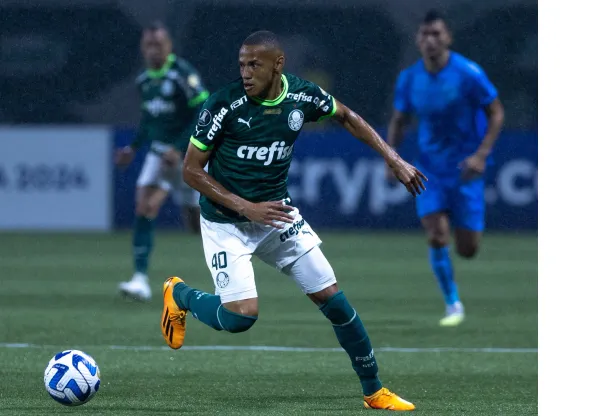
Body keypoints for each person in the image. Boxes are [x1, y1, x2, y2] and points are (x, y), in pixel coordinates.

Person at [160, 30, 426, 411]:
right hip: (225, 222)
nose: (246, 73)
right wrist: (244, 207)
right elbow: (190, 171)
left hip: (277, 215)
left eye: (255, 64)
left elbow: (347, 116)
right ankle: (180, 294)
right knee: (240, 319)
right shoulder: (224, 105)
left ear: (278, 65)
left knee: (333, 299)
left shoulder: (302, 95)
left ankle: (374, 391)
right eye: (241, 64)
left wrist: (394, 158)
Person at [386, 10, 505, 327]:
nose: (430, 40)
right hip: (429, 172)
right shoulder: (409, 78)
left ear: (448, 38)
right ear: (418, 39)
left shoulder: (468, 73)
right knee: (437, 235)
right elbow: (400, 119)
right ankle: (453, 304)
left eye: (437, 34)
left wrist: (481, 155)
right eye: (425, 34)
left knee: (467, 249)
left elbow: (496, 112)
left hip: (466, 170)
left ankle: (463, 247)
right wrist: (392, 158)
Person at [115, 21, 210, 301]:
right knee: (145, 206)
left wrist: (181, 148)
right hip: (159, 155)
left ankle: (234, 263)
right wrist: (132, 148)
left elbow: (203, 111)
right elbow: (148, 120)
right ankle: (140, 280)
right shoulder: (144, 80)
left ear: (169, 46)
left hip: (188, 157)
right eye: (148, 45)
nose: (153, 50)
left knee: (196, 225)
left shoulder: (182, 73)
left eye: (158, 44)